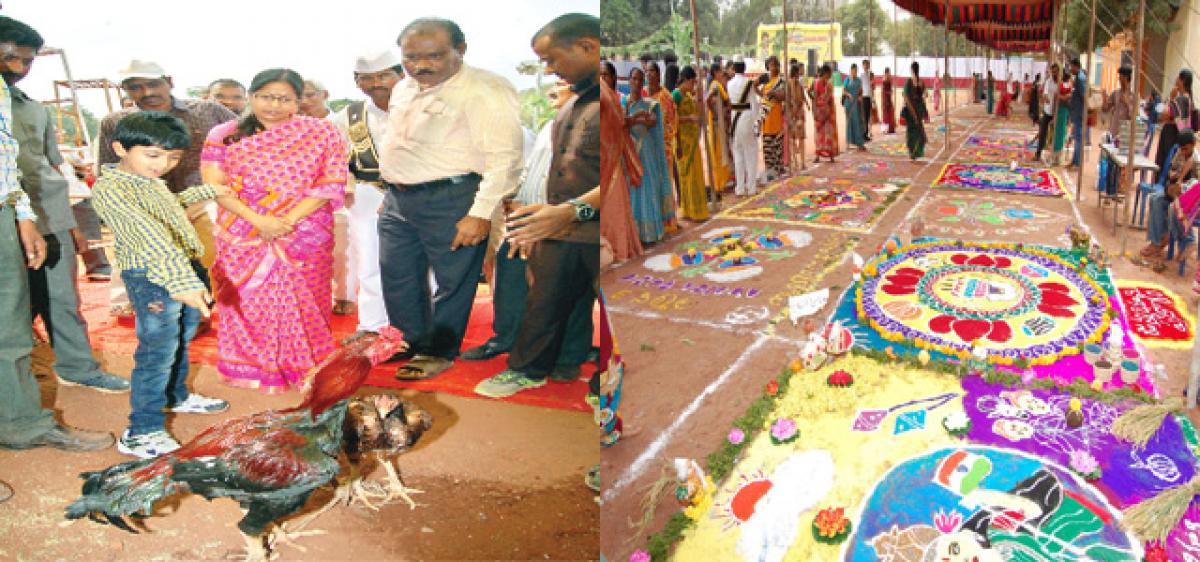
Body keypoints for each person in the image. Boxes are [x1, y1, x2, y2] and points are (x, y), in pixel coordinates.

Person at [378, 19, 524, 380]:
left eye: (434, 56)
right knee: (397, 276)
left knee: (453, 280)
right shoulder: (403, 88)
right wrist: (393, 190)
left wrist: (480, 213)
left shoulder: (486, 89)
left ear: (462, 49)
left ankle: (438, 351)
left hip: (453, 198)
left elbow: (505, 158)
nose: (420, 65)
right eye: (410, 57)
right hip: (398, 200)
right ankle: (408, 340)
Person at [0, 14, 115, 459]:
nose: (17, 67)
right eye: (9, 57)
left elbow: (25, 169)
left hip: (21, 215)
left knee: (12, 332)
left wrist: (30, 216)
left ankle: (22, 423)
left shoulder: (25, 106)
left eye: (24, 60)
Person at [92, 112, 232, 458]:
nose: (164, 165)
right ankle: (143, 430)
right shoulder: (111, 190)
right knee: (157, 351)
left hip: (179, 269)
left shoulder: (147, 180)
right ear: (120, 148)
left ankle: (175, 395)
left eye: (173, 158)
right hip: (153, 278)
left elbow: (167, 209)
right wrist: (182, 281)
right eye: (153, 155)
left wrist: (207, 191)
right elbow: (150, 235)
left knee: (180, 339)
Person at [475, 13, 600, 398]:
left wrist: (572, 211)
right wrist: (542, 214)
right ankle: (533, 369)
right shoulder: (573, 104)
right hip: (559, 227)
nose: (549, 70)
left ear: (588, 47)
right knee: (547, 301)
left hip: (596, 228)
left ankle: (597, 383)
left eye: (552, 59)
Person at [201, 68, 350, 392]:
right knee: (247, 302)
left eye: (285, 99)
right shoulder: (224, 134)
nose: (274, 106)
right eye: (266, 97)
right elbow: (214, 185)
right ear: (252, 96)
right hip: (241, 231)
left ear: (299, 101)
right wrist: (258, 220)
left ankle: (305, 367)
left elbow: (330, 182)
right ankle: (250, 367)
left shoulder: (323, 133)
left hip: (304, 234)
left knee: (308, 299)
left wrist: (285, 222)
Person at [97, 60, 237, 319]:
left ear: (169, 81)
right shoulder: (115, 122)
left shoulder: (208, 111)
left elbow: (250, 138)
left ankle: (214, 307)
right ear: (124, 90)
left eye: (153, 84)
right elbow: (108, 167)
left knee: (213, 257)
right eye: (135, 87)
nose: (146, 92)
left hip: (203, 200)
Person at [330, 51, 403, 344]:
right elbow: (336, 158)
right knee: (369, 259)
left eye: (385, 75)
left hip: (419, 195)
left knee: (425, 264)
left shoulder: (422, 108)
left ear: (401, 75)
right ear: (357, 82)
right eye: (368, 78)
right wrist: (344, 184)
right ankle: (373, 324)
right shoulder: (348, 115)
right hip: (368, 192)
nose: (377, 83)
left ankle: (424, 325)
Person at [624, 68, 673, 242]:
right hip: (629, 153)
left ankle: (653, 232)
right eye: (634, 79)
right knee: (633, 192)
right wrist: (636, 118)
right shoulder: (623, 103)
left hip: (646, 151)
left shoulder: (651, 104)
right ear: (629, 81)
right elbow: (619, 123)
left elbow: (652, 121)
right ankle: (637, 233)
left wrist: (633, 119)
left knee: (648, 188)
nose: (636, 83)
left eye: (640, 80)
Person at [600, 76, 643, 264]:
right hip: (601, 160)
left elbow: (617, 123)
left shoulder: (607, 96)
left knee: (613, 207)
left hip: (610, 159)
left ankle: (620, 248)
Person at [1140, 130, 1197, 270]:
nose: (1183, 151)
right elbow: (1171, 175)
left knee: (1175, 207)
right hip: (1176, 193)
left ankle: (1181, 240)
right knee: (1155, 198)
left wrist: (1180, 186)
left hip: (1191, 200)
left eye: (1186, 149)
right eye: (1181, 148)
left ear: (1193, 145)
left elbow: (1196, 189)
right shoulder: (1179, 154)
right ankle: (1157, 241)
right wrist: (1172, 186)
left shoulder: (1197, 160)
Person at [673, 65, 707, 221]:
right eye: (692, 82)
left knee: (695, 175)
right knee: (686, 177)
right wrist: (689, 119)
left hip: (693, 141)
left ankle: (697, 209)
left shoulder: (688, 95)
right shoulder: (676, 96)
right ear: (685, 80)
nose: (693, 85)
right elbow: (672, 120)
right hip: (683, 142)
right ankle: (689, 209)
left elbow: (699, 113)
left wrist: (699, 96)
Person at [645, 62, 678, 202]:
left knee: (665, 185)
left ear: (659, 74)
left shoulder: (666, 97)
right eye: (646, 71)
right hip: (646, 149)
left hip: (663, 149)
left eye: (652, 70)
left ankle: (669, 221)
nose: (648, 73)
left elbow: (672, 122)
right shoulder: (642, 94)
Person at [727, 60, 760, 196]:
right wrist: (756, 122)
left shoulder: (729, 84)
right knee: (751, 153)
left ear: (734, 68)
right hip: (746, 119)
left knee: (738, 155)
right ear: (745, 68)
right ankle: (751, 188)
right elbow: (754, 104)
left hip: (734, 119)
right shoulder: (748, 83)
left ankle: (740, 188)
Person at [1154, 69, 1195, 172]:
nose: (1176, 79)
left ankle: (1162, 185)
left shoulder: (1180, 99)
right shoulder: (1189, 99)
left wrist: (1171, 98)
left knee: (1165, 164)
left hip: (1171, 135)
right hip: (1177, 136)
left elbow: (1164, 115)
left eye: (1178, 77)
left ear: (1182, 80)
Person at [758, 56, 787, 181]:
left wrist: (773, 93)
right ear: (767, 66)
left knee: (777, 148)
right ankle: (770, 172)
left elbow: (783, 96)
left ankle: (778, 170)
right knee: (768, 148)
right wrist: (763, 95)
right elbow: (753, 86)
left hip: (776, 118)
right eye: (771, 65)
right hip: (766, 118)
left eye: (776, 65)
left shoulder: (781, 80)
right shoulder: (764, 81)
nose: (773, 67)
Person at [706, 61, 734, 190]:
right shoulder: (716, 85)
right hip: (717, 123)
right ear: (716, 72)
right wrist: (717, 113)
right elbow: (709, 99)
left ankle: (722, 180)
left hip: (717, 122)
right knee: (719, 152)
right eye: (721, 71)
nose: (723, 73)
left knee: (720, 151)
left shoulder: (715, 85)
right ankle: (720, 182)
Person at [1102, 66, 1135, 147]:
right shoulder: (1115, 93)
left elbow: (1135, 117)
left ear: (1126, 77)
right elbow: (1105, 109)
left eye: (1120, 77)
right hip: (1113, 131)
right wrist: (1104, 99)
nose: (1119, 79)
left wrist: (1127, 103)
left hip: (1124, 135)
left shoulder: (1134, 96)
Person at [812, 63, 838, 163]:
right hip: (819, 111)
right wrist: (815, 111)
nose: (830, 75)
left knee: (828, 133)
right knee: (819, 134)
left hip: (828, 112)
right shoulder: (816, 83)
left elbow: (828, 98)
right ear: (825, 73)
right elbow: (815, 97)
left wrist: (826, 110)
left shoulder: (829, 84)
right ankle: (818, 155)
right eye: (829, 73)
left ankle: (831, 155)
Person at [903, 61, 928, 161]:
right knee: (918, 132)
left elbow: (906, 97)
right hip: (918, 110)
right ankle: (915, 153)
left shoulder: (909, 82)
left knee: (911, 132)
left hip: (912, 111)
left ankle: (912, 153)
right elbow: (925, 95)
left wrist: (911, 109)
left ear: (911, 69)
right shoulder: (921, 82)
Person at [1034, 64, 1059, 162]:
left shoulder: (1061, 83)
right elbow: (1044, 94)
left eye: (1056, 71)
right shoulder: (1049, 81)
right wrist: (1046, 98)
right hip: (1048, 110)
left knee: (1056, 134)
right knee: (1043, 132)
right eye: (1053, 72)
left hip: (1057, 112)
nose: (1054, 73)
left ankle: (1054, 156)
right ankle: (1038, 153)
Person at [787, 62, 809, 170]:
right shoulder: (789, 84)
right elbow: (789, 100)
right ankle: (798, 162)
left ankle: (800, 162)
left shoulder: (798, 84)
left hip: (797, 114)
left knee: (798, 139)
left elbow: (801, 98)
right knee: (794, 139)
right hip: (793, 115)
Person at [1068, 58, 1088, 168]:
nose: (1071, 69)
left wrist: (1086, 110)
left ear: (1076, 66)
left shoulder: (1080, 78)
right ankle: (1075, 161)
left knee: (1078, 138)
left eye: (1071, 66)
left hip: (1079, 112)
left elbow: (1084, 95)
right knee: (1077, 138)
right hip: (1077, 111)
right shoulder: (1079, 77)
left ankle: (1077, 162)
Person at [842, 63, 866, 151]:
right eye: (854, 70)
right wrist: (849, 95)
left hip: (856, 104)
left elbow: (861, 91)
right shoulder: (847, 79)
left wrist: (860, 97)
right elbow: (843, 90)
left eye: (856, 70)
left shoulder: (859, 80)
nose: (855, 72)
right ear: (851, 70)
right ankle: (848, 143)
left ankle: (859, 143)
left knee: (857, 122)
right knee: (849, 123)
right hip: (848, 103)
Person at [1053, 67, 1072, 165]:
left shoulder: (1067, 84)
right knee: (1060, 132)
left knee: (1062, 132)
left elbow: (1058, 95)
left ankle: (1058, 156)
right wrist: (1065, 97)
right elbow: (1057, 95)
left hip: (1065, 110)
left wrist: (1065, 97)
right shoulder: (1063, 85)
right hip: (1062, 109)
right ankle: (1057, 156)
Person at [861, 58, 874, 142]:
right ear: (863, 65)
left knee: (868, 116)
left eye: (868, 64)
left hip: (869, 97)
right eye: (865, 64)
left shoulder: (870, 74)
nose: (866, 66)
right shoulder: (861, 75)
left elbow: (871, 87)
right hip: (864, 97)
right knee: (864, 117)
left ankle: (866, 133)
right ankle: (863, 134)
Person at [880, 67, 896, 134]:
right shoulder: (884, 79)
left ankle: (890, 129)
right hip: (885, 98)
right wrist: (888, 92)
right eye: (888, 72)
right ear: (886, 72)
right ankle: (886, 129)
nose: (889, 73)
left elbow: (890, 87)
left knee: (890, 113)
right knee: (886, 114)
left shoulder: (889, 78)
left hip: (888, 97)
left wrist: (890, 91)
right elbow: (883, 90)